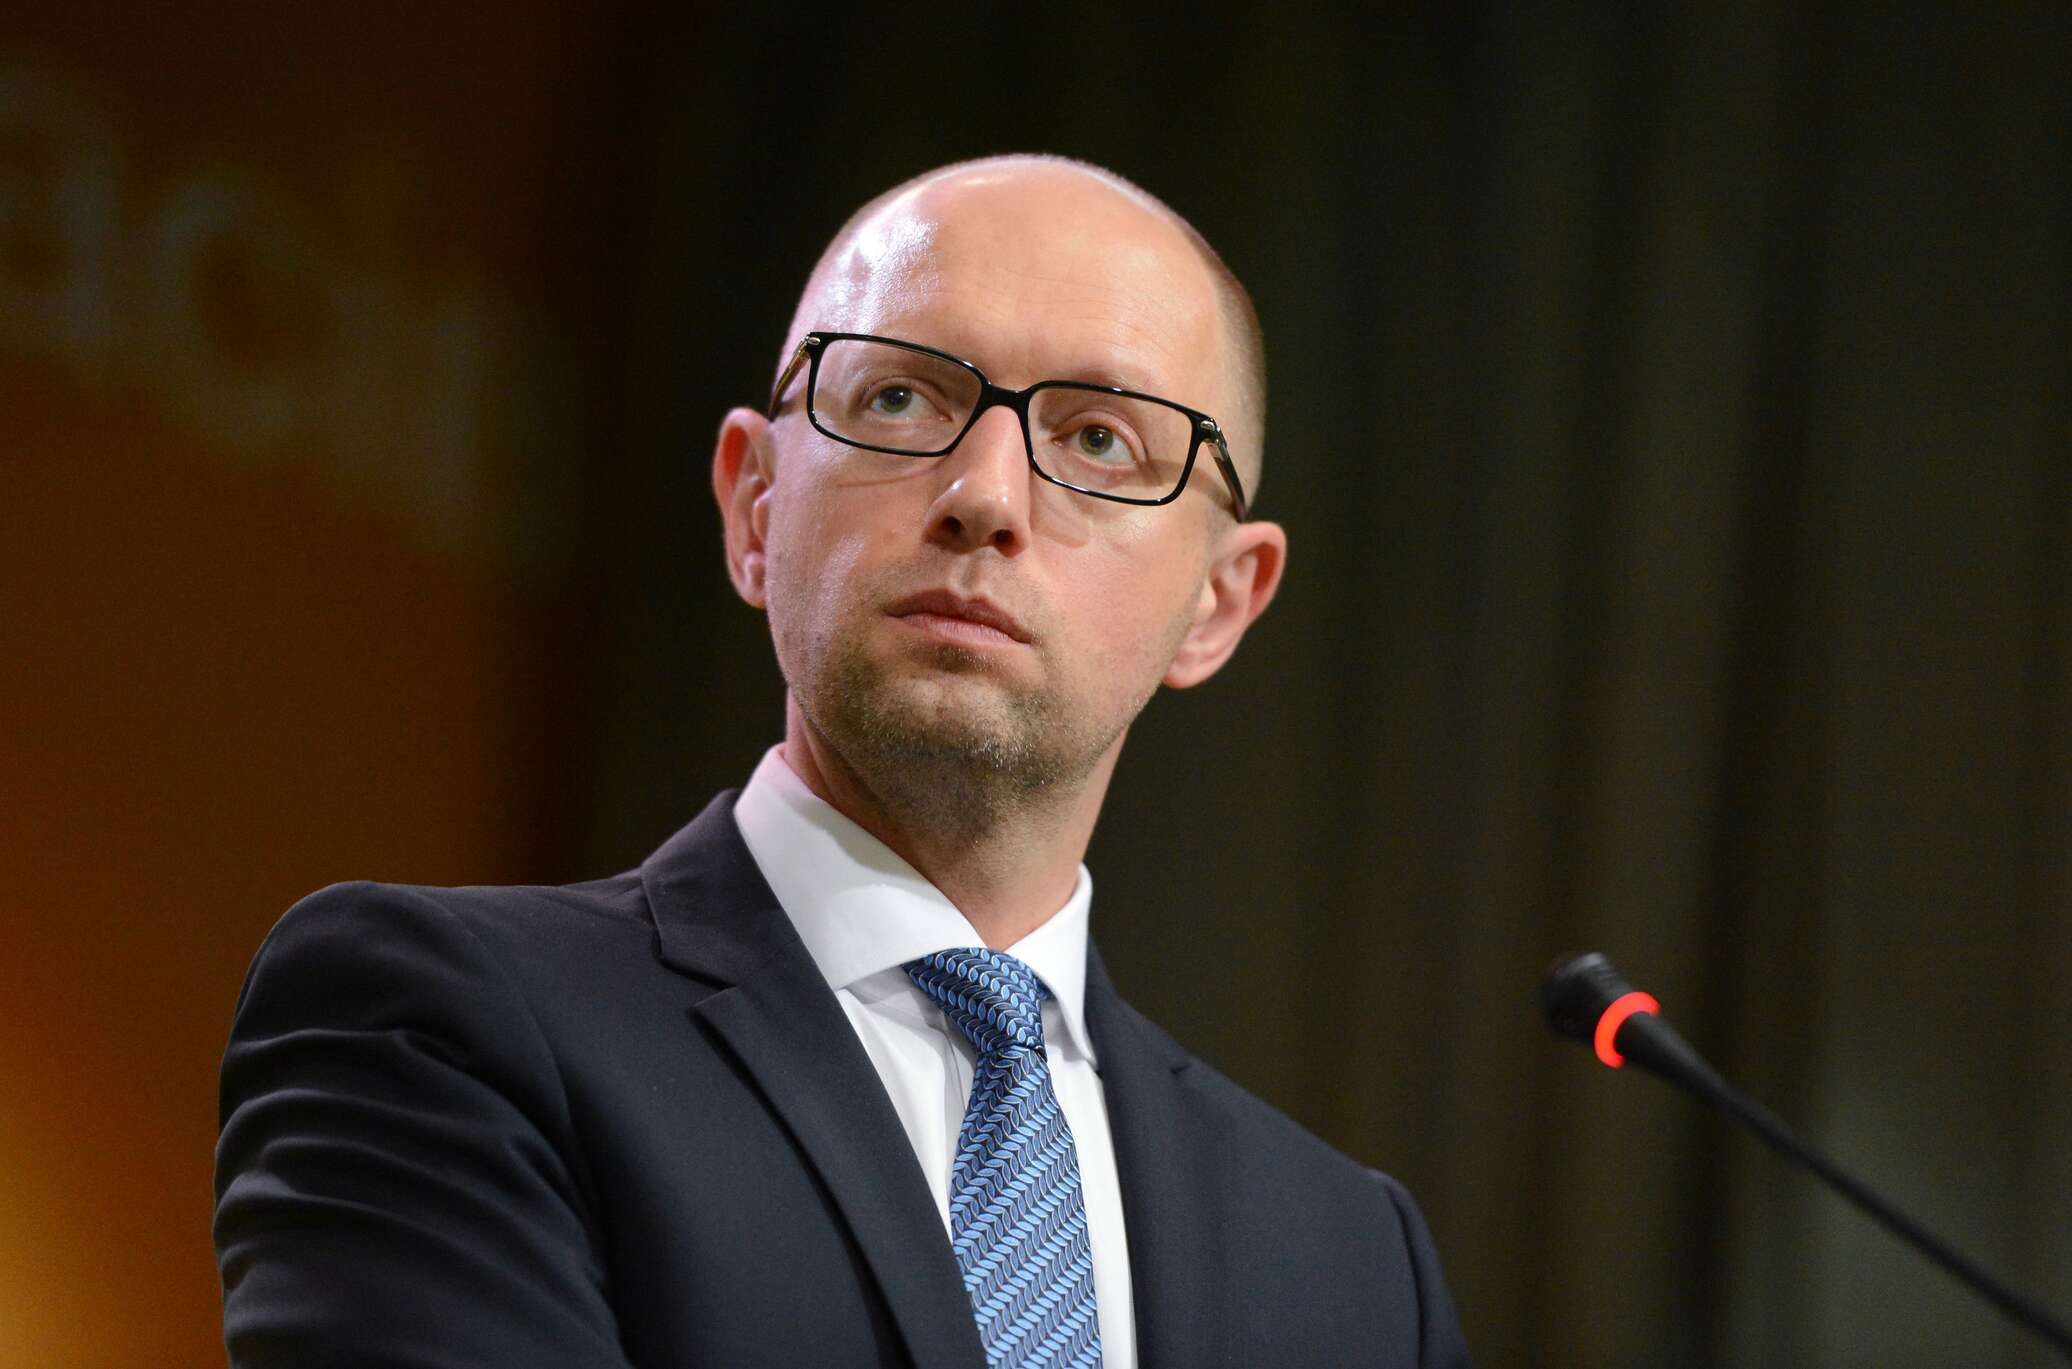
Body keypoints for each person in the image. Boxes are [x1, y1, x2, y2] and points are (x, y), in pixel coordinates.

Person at [214, 155, 1473, 1369]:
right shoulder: (443, 1031)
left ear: (1218, 601)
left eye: (1099, 439)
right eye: (898, 399)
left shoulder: (1355, 1266)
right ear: (754, 506)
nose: (985, 496)